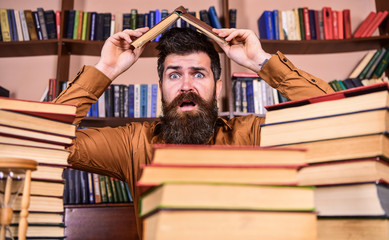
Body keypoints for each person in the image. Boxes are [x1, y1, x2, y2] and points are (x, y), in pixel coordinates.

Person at [54, 26, 334, 237]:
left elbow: (332, 116)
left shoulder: (252, 135)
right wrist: (107, 68)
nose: (186, 86)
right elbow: (46, 139)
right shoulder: (133, 143)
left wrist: (260, 60)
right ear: (161, 88)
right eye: (174, 75)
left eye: (198, 74)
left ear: (219, 87)